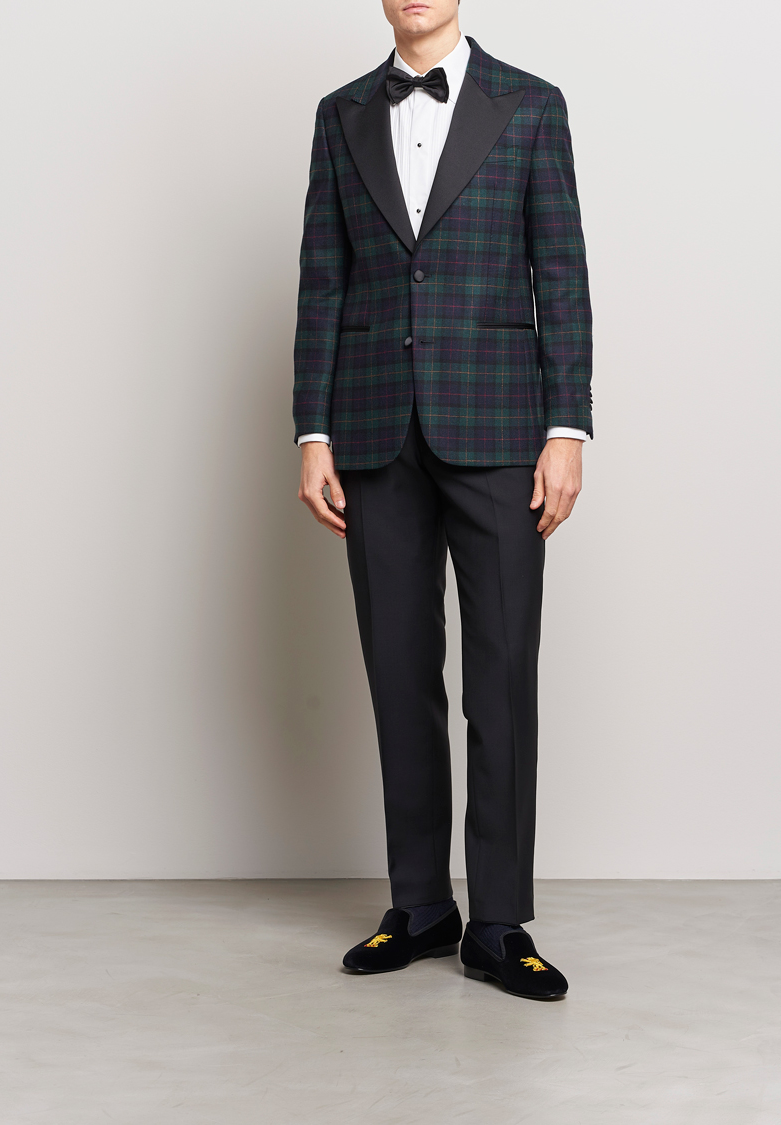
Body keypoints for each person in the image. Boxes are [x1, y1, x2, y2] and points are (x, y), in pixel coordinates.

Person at [293, 0, 591, 1000]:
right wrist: (313, 431)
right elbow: (323, 281)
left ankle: (499, 922)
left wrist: (567, 428)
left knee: (501, 677)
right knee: (398, 673)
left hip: (501, 428)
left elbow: (562, 275)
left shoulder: (532, 107)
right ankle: (420, 904)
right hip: (373, 429)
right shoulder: (340, 115)